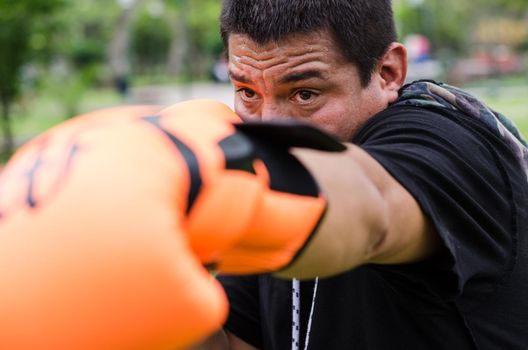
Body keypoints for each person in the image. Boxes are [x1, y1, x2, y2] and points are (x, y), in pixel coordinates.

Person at [197, 0, 528, 349]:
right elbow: (234, 341)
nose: (267, 127)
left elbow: (375, 209)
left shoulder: (448, 141)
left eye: (304, 94)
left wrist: (189, 176)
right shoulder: (266, 182)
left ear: (388, 72)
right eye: (248, 93)